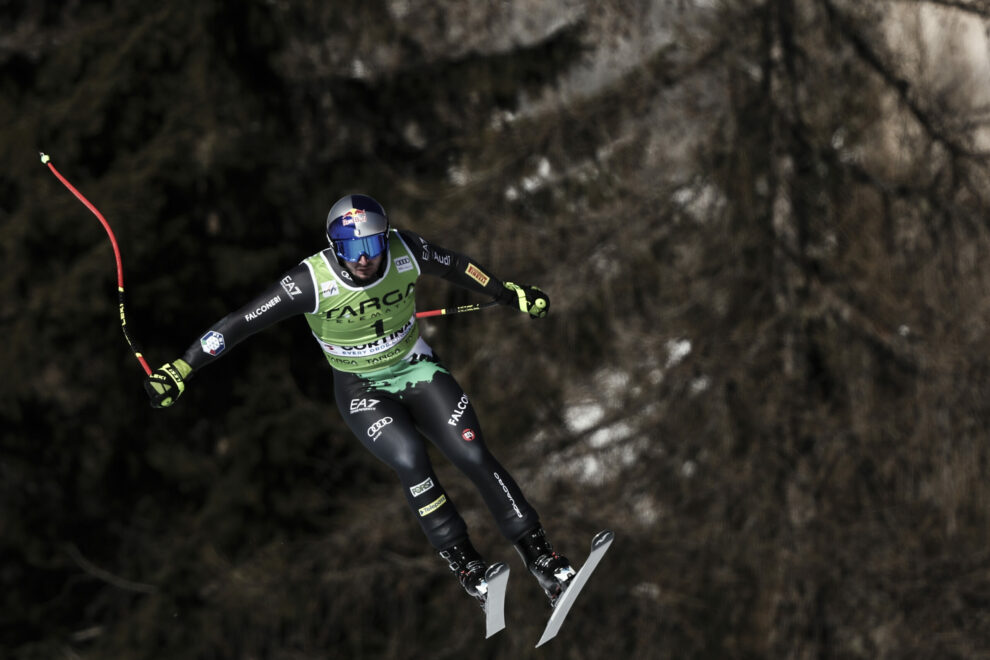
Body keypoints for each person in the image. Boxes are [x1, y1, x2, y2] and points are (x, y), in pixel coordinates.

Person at [144, 194, 576, 607]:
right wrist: (183, 368)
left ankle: (541, 557)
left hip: (417, 368)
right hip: (360, 389)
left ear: (385, 236)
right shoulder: (310, 281)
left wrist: (508, 293)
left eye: (371, 243)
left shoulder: (407, 250)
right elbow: (239, 323)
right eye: (351, 248)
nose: (364, 257)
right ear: (335, 248)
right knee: (411, 460)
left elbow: (460, 267)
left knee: (472, 452)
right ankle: (468, 567)